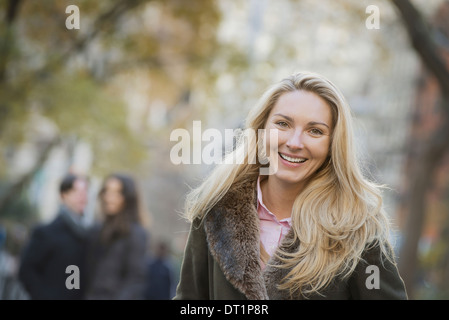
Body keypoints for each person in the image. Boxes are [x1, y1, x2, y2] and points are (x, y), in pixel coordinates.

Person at [174, 71, 408, 300]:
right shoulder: (216, 208)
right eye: (283, 124)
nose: (295, 143)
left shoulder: (358, 229)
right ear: (261, 130)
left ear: (332, 145)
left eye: (315, 131)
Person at [18, 173, 89, 300]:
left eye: (84, 192)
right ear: (63, 195)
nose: (82, 197)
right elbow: (26, 270)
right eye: (76, 191)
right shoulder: (47, 232)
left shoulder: (88, 234)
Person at [85, 173, 149, 300]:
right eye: (107, 191)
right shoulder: (96, 229)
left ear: (128, 198)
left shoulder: (136, 233)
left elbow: (135, 280)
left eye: (117, 193)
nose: (109, 197)